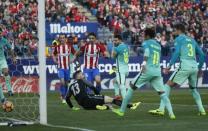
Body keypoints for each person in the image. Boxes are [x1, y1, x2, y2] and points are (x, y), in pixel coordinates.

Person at [112, 27, 175, 119]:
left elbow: (147, 51)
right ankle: (171, 114)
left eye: (144, 34)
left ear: (148, 35)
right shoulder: (158, 45)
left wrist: (144, 63)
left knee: (131, 87)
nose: (143, 35)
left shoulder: (146, 42)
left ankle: (121, 111)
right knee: (163, 94)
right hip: (157, 71)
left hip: (148, 70)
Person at [148, 23, 206, 116]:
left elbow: (177, 53)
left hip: (185, 66)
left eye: (175, 30)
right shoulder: (192, 40)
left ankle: (161, 109)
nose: (174, 31)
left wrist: (169, 66)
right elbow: (202, 55)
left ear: (179, 30)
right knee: (193, 89)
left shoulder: (179, 39)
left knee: (167, 85)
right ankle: (202, 110)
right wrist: (199, 69)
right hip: (194, 67)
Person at [65, 70, 141, 110]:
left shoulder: (71, 85)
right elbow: (93, 87)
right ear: (78, 76)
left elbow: (67, 98)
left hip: (83, 105)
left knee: (106, 104)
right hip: (88, 99)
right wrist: (99, 95)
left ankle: (100, 106)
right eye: (81, 74)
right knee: (111, 100)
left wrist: (72, 107)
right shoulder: (83, 80)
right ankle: (130, 106)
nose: (83, 75)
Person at [52, 34, 76, 104]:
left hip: (67, 68)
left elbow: (75, 54)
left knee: (66, 83)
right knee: (62, 82)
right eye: (61, 38)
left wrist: (72, 60)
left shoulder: (69, 46)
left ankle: (64, 96)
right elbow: (53, 54)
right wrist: (54, 60)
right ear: (59, 39)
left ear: (65, 39)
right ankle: (63, 96)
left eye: (63, 38)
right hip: (60, 67)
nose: (62, 39)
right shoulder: (57, 47)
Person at [0, 31, 16, 104]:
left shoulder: (4, 40)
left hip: (2, 59)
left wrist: (14, 58)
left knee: (6, 72)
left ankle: (9, 90)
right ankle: (2, 98)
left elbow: (10, 49)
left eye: (0, 33)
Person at [111, 34, 129, 99]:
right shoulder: (126, 46)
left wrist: (113, 47)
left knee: (121, 85)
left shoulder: (118, 48)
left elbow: (113, 56)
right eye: (114, 41)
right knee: (114, 81)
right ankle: (117, 95)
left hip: (120, 69)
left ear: (120, 40)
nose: (114, 42)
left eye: (116, 40)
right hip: (126, 69)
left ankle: (125, 101)